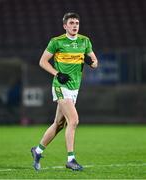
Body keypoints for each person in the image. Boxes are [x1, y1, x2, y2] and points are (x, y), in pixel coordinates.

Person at [31, 12, 98, 171]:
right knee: (73, 120)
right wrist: (57, 74)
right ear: (65, 26)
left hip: (75, 88)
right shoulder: (56, 42)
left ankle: (37, 150)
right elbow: (42, 62)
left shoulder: (84, 41)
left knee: (59, 124)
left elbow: (95, 62)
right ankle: (71, 159)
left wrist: (91, 62)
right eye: (71, 23)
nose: (75, 25)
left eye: (77, 23)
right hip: (60, 86)